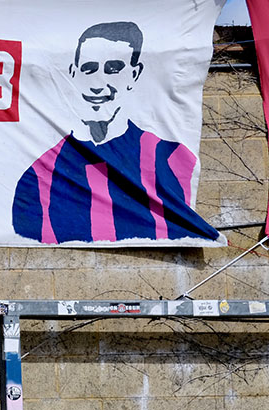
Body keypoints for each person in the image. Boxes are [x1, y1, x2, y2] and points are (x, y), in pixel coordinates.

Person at [12, 21, 221, 244]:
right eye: (89, 69)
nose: (97, 84)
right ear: (73, 74)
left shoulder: (172, 159)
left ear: (135, 74)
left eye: (113, 69)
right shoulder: (38, 176)